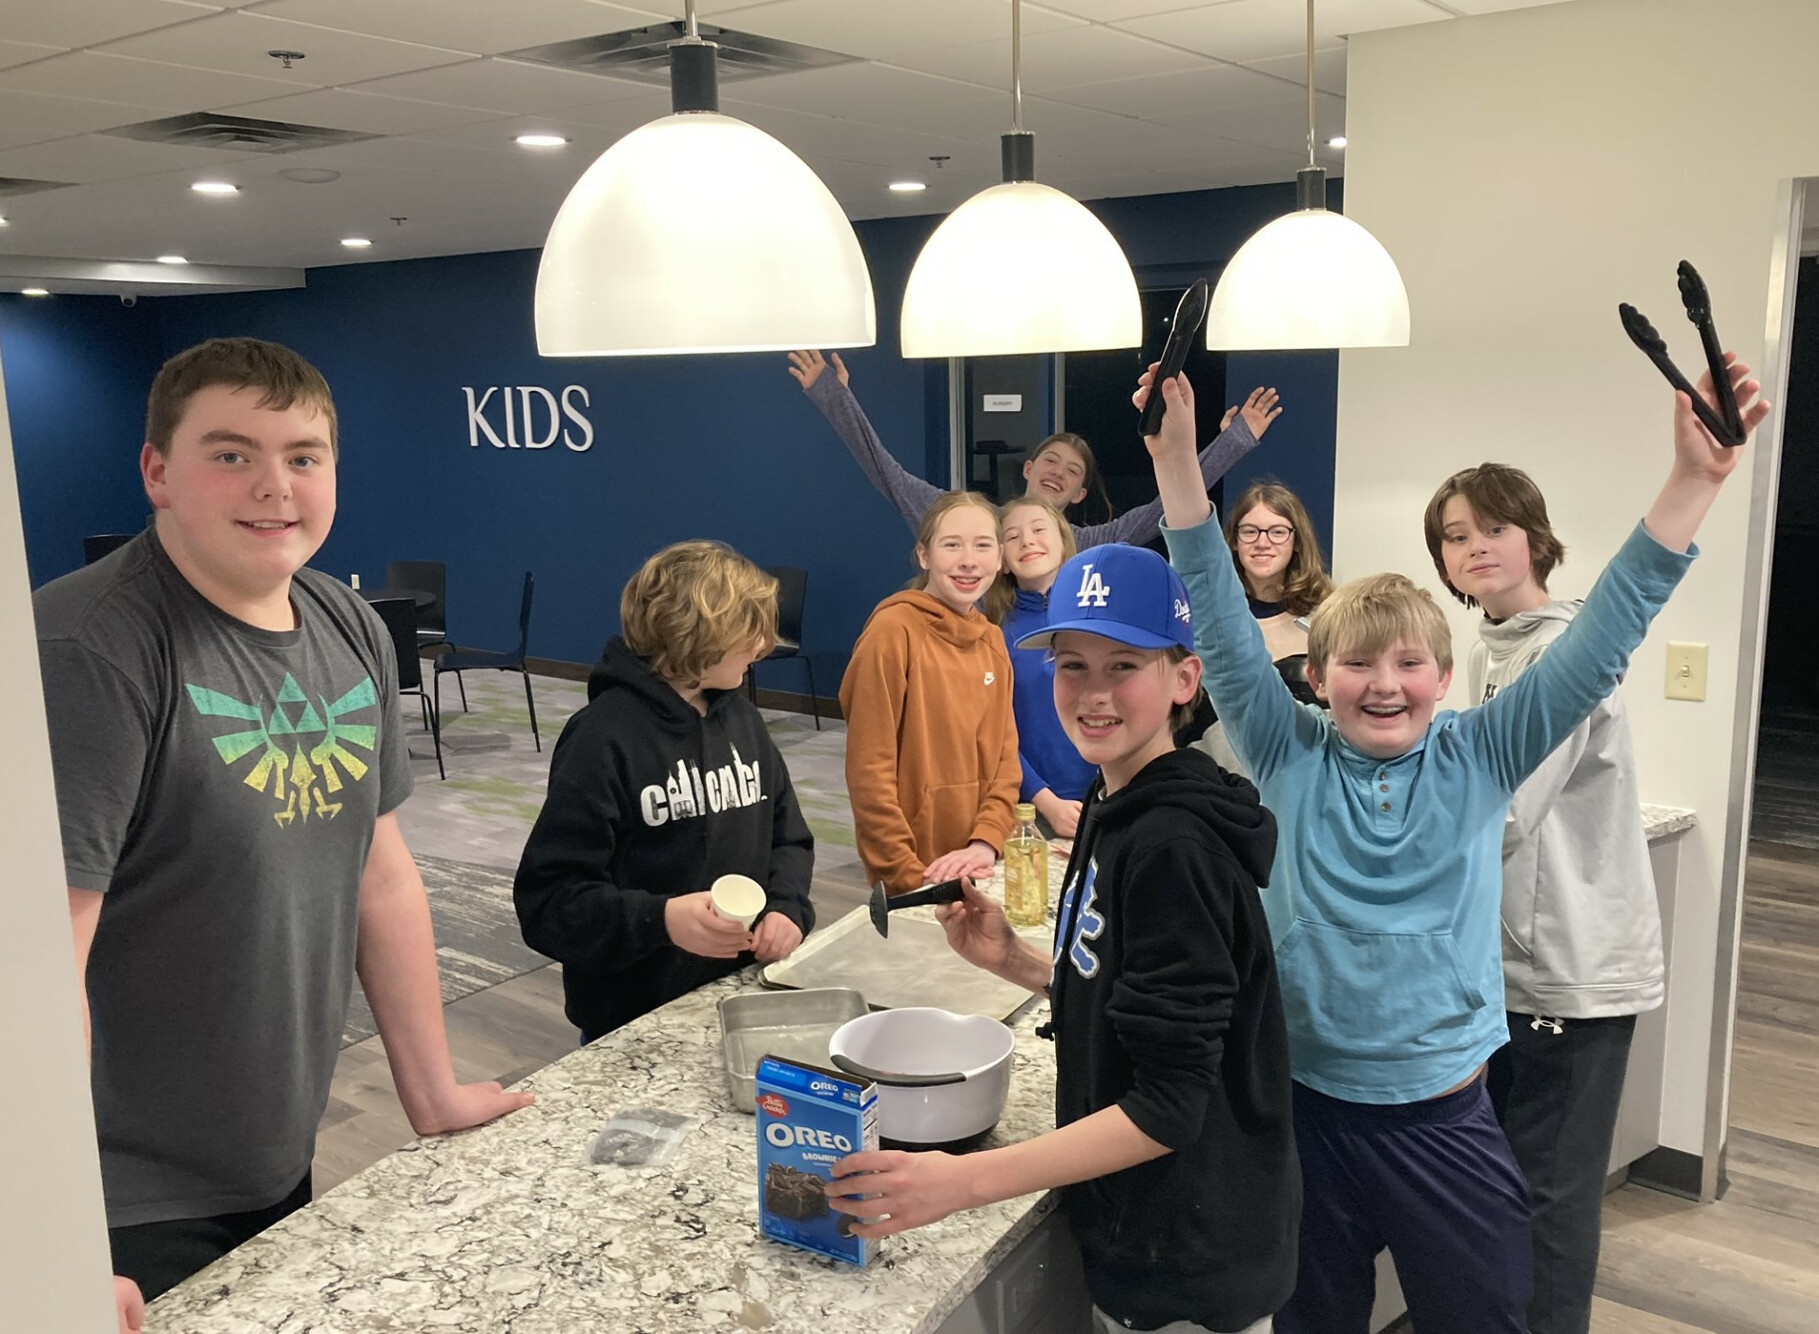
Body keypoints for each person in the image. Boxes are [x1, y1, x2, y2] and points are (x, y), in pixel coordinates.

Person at [1141, 355, 1766, 1333]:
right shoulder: (1285, 747)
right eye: (1356, 662)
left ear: (1445, 673)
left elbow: (1603, 634)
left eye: (1409, 662)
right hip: (1304, 1107)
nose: (1383, 681)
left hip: (1444, 1117)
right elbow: (1220, 621)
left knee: (1484, 1317)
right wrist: (1181, 463)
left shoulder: (1482, 750)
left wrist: (1695, 480)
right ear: (1315, 672)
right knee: (1311, 1318)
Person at [36, 338, 533, 1324]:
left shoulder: (343, 620)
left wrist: (431, 1089)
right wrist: (51, 1237)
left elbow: (379, 872)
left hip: (270, 1147)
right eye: (231, 453)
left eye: (302, 456)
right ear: (157, 472)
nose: (274, 485)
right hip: (124, 1198)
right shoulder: (91, 652)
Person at [826, 544, 1298, 1334]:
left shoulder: (1173, 847)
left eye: (1124, 665)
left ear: (1184, 681)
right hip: (1147, 1221)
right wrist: (1013, 961)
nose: (1093, 692)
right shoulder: (1111, 799)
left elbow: (1167, 1108)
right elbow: (1132, 989)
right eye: (1073, 665)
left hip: (1190, 1250)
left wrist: (961, 1180)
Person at [1425, 462, 1663, 1334]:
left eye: (1492, 528)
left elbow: (1503, 812)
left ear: (1534, 537)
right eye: (1455, 536)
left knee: (1549, 1204)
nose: (1475, 547)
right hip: (1504, 969)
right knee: (1497, 1192)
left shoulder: (1563, 650)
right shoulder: (1487, 648)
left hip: (1570, 969)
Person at [513, 541, 815, 1043]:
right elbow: (548, 903)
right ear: (699, 634)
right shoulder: (602, 738)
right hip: (630, 1020)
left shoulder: (741, 717)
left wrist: (787, 907)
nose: (764, 645)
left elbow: (789, 837)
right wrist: (660, 920)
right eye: (750, 628)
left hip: (738, 997)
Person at [788, 348, 1282, 547]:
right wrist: (835, 397)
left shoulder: (1088, 544)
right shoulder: (970, 519)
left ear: (1080, 494)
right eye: (1051, 460)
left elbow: (1167, 507)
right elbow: (886, 472)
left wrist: (1232, 442)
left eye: (1071, 472)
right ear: (1028, 468)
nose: (1058, 473)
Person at [839, 491, 1020, 893]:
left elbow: (1006, 760)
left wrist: (987, 841)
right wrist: (905, 873)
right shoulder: (892, 633)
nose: (968, 560)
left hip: (980, 865)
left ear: (1001, 559)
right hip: (914, 874)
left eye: (983, 545)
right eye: (951, 545)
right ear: (924, 555)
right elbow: (869, 769)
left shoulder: (993, 641)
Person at [1192, 481, 1335, 772]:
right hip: (1215, 784)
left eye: (1278, 532)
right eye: (1249, 531)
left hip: (1304, 782)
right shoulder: (1207, 620)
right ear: (1233, 539)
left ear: (1296, 541)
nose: (1262, 542)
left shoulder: (1330, 617)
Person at [997, 496, 1093, 837]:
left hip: (1111, 795)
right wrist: (1046, 802)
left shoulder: (1098, 619)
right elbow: (998, 734)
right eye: (1012, 536)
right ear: (1003, 561)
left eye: (1038, 529)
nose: (1027, 541)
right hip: (1034, 808)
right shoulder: (996, 634)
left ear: (1063, 543)